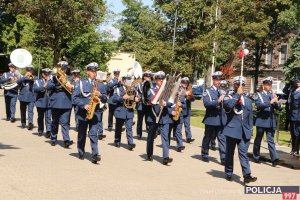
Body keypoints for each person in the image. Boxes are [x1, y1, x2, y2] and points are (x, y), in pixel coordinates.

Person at [223, 76, 257, 183]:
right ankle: (228, 172)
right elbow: (228, 106)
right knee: (229, 153)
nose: (240, 86)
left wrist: (250, 130)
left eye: (242, 85)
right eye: (237, 84)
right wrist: (237, 94)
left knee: (243, 153)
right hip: (232, 130)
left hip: (244, 131)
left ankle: (247, 174)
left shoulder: (247, 99)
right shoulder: (229, 96)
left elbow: (250, 116)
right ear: (234, 85)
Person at [73, 62, 107, 164]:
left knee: (93, 134)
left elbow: (105, 99)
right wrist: (84, 105)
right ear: (87, 72)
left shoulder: (100, 84)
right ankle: (81, 152)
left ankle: (95, 155)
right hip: (83, 113)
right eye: (92, 71)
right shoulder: (81, 83)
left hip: (95, 113)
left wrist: (100, 95)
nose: (94, 73)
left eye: (95, 71)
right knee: (82, 134)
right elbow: (74, 98)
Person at [252, 77, 282, 166]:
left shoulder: (271, 95)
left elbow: (279, 108)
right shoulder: (258, 94)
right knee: (258, 139)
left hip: (270, 121)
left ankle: (275, 159)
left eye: (270, 85)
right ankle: (256, 156)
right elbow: (259, 106)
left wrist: (276, 102)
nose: (270, 86)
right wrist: (270, 102)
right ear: (264, 85)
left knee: (270, 140)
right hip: (261, 120)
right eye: (268, 85)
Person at [146, 71, 173, 165]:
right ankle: (149, 154)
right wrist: (159, 101)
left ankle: (166, 157)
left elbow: (171, 102)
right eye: (159, 79)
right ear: (156, 80)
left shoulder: (167, 90)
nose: (161, 81)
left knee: (165, 138)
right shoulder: (152, 89)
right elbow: (150, 100)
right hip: (153, 116)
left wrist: (165, 103)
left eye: (162, 79)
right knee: (150, 138)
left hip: (164, 117)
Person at [46, 61, 74, 147]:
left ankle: (66, 140)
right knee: (55, 122)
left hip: (66, 103)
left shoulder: (70, 78)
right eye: (62, 68)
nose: (63, 70)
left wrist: (68, 84)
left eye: (64, 68)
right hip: (56, 103)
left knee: (65, 123)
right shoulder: (53, 78)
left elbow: (73, 88)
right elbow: (47, 87)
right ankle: (53, 138)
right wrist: (56, 82)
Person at [201, 71, 226, 165]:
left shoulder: (222, 91)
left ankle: (223, 157)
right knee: (207, 137)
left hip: (220, 119)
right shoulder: (207, 91)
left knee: (221, 138)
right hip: (211, 118)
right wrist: (218, 101)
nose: (219, 81)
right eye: (217, 79)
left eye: (220, 79)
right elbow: (206, 104)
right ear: (213, 80)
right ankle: (204, 154)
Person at [111, 74, 136, 150]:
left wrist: (136, 98)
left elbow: (135, 97)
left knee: (129, 128)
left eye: (129, 80)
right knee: (118, 128)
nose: (128, 81)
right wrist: (122, 98)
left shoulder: (133, 89)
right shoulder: (118, 89)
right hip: (120, 111)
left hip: (129, 111)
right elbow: (114, 99)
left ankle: (130, 143)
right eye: (127, 80)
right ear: (124, 81)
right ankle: (117, 141)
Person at [33, 68, 52, 137]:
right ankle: (40, 129)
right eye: (46, 74)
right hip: (40, 102)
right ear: (43, 75)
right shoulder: (38, 81)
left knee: (48, 117)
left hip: (49, 102)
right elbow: (36, 89)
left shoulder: (51, 81)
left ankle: (48, 131)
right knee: (40, 117)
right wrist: (45, 85)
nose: (48, 75)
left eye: (49, 74)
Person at [16, 65, 37, 130]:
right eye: (28, 70)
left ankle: (30, 123)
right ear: (26, 71)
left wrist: (31, 77)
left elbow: (35, 81)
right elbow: (17, 82)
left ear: (32, 71)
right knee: (23, 110)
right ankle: (23, 122)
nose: (29, 72)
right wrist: (25, 76)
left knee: (30, 111)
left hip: (31, 97)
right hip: (23, 97)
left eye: (30, 71)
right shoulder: (22, 77)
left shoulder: (35, 77)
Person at [135, 70, 153, 139]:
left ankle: (149, 133)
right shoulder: (139, 84)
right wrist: (136, 97)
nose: (148, 77)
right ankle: (139, 134)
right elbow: (134, 91)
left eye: (149, 76)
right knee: (140, 120)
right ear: (144, 77)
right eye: (146, 76)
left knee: (148, 120)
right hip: (140, 104)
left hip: (148, 105)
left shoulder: (152, 85)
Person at [180, 77, 195, 143]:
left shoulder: (189, 89)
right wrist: (184, 94)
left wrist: (190, 95)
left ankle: (188, 137)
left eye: (186, 83)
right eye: (184, 82)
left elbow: (193, 99)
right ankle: (178, 138)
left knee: (187, 124)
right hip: (180, 109)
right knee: (179, 125)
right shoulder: (179, 89)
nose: (185, 84)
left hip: (187, 110)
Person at [289, 77, 300, 156]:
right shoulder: (293, 90)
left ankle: (296, 150)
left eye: (299, 82)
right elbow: (285, 91)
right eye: (296, 82)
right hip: (292, 114)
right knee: (292, 132)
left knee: (297, 133)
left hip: (298, 115)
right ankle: (293, 149)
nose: (297, 83)